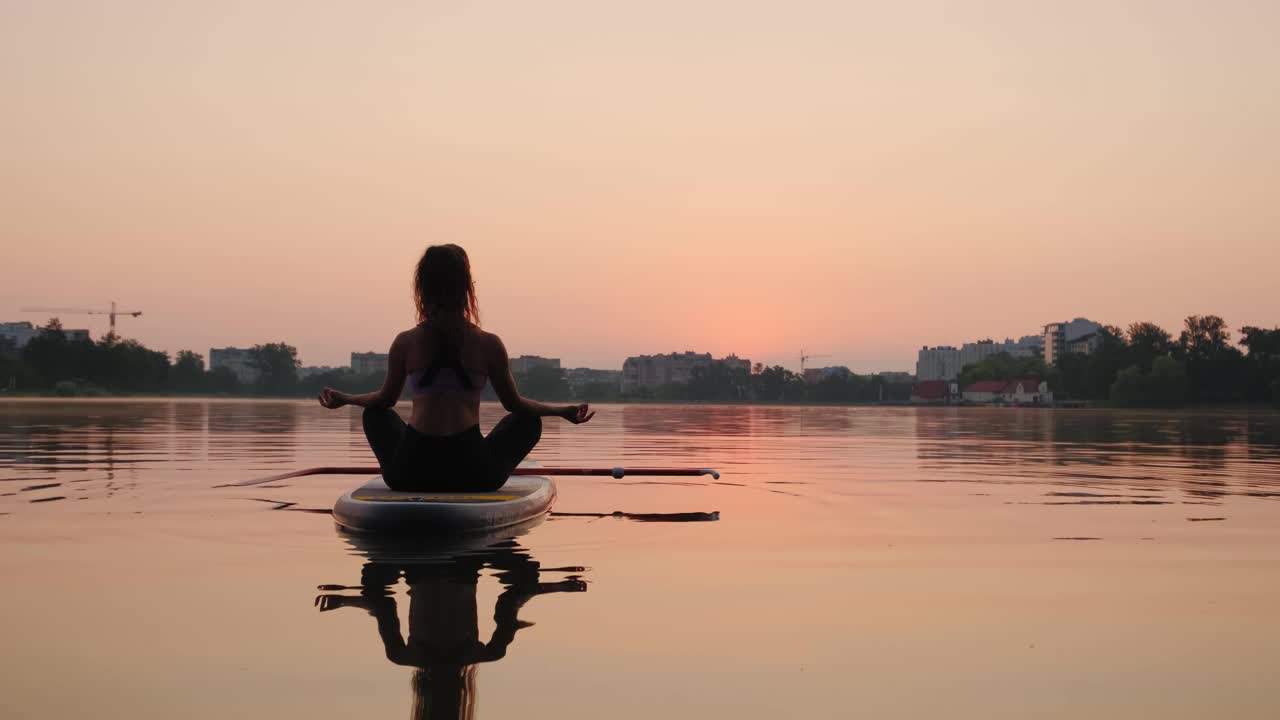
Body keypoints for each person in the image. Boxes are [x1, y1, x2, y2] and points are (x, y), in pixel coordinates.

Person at [317, 244, 594, 491]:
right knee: (527, 421)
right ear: (466, 288)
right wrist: (563, 412)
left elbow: (383, 400)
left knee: (375, 414)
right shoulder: (488, 344)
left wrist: (346, 399)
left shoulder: (406, 342)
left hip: (409, 474)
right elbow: (515, 405)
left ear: (422, 288)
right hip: (473, 475)